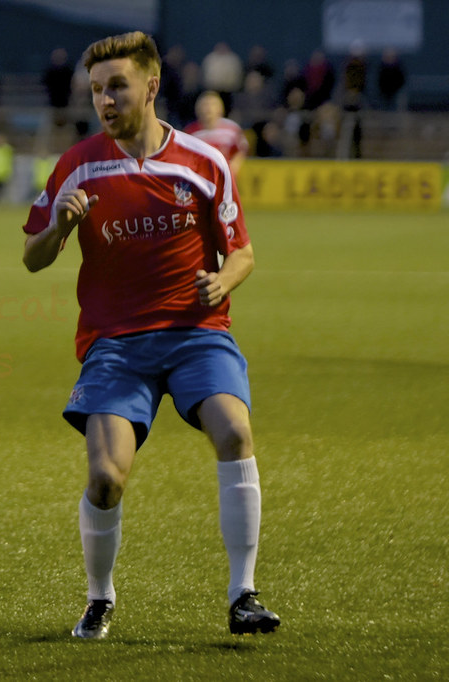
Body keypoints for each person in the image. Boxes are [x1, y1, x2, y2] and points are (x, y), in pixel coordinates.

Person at [21, 31, 279, 640]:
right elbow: (32, 258)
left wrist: (223, 281)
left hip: (197, 333)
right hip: (116, 344)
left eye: (117, 87)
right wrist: (59, 226)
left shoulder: (202, 162)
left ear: (151, 86)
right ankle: (99, 596)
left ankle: (243, 593)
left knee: (235, 430)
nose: (105, 101)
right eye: (96, 91)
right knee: (107, 477)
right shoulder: (76, 164)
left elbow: (242, 252)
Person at [184, 90, 249, 177]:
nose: (208, 108)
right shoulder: (191, 133)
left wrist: (234, 166)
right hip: (202, 178)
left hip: (225, 178)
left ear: (220, 108)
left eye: (212, 104)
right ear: (197, 109)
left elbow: (242, 149)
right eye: (205, 105)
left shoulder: (232, 129)